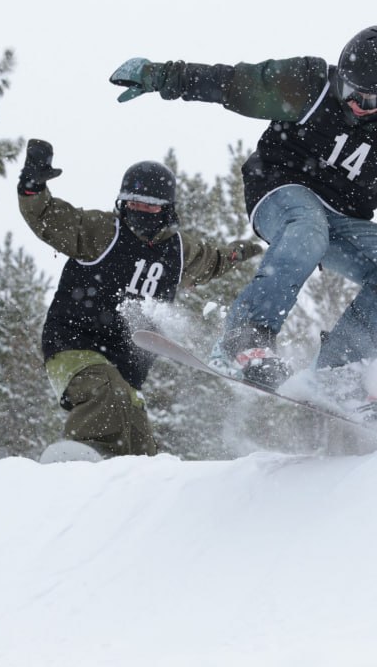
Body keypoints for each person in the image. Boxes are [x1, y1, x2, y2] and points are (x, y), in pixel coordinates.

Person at [108, 26, 377, 419]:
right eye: (349, 91)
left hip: (342, 220)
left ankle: (338, 373)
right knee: (307, 228)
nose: (354, 104)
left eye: (369, 99)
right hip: (279, 192)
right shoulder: (311, 84)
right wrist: (160, 76)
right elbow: (231, 84)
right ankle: (245, 336)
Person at [16, 139, 262, 458]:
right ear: (124, 204)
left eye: (150, 206)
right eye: (134, 204)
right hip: (75, 347)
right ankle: (85, 455)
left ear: (166, 208)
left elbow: (213, 260)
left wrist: (244, 251)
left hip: (127, 367)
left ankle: (135, 481)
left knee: (139, 441)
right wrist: (33, 184)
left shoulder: (179, 251)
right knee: (106, 389)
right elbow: (48, 218)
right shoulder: (102, 231)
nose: (141, 211)